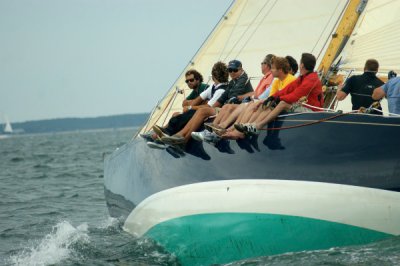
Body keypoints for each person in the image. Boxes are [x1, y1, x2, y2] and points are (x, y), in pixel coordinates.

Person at [197, 56, 297, 141]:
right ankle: (227, 128)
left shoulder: (291, 80)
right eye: (229, 70)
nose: (271, 70)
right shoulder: (276, 81)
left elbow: (286, 97)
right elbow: (271, 96)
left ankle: (239, 130)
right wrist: (260, 101)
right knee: (242, 105)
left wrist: (259, 100)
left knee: (255, 106)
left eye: (273, 68)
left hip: (287, 105)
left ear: (280, 70)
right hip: (270, 103)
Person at [160, 59, 253, 146]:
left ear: (241, 69)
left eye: (235, 70)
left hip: (235, 108)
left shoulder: (242, 80)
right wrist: (204, 106)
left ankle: (183, 138)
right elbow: (222, 98)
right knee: (200, 110)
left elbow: (233, 97)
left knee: (203, 111)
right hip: (227, 107)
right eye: (230, 70)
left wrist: (193, 107)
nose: (232, 73)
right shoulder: (233, 82)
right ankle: (179, 135)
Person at [234, 53, 324, 137]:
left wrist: (278, 98)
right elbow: (288, 89)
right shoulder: (304, 77)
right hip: (306, 108)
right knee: (269, 103)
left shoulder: (311, 79)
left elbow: (295, 95)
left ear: (302, 65)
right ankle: (250, 126)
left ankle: (258, 126)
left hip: (312, 112)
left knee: (282, 103)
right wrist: (273, 97)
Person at [147, 62, 229, 148]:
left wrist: (190, 106)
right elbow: (193, 102)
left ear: (213, 77)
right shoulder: (213, 86)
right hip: (204, 110)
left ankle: (167, 134)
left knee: (191, 113)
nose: (189, 82)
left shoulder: (220, 90)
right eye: (187, 81)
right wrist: (191, 105)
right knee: (179, 114)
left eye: (191, 80)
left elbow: (208, 106)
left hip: (211, 113)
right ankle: (164, 135)